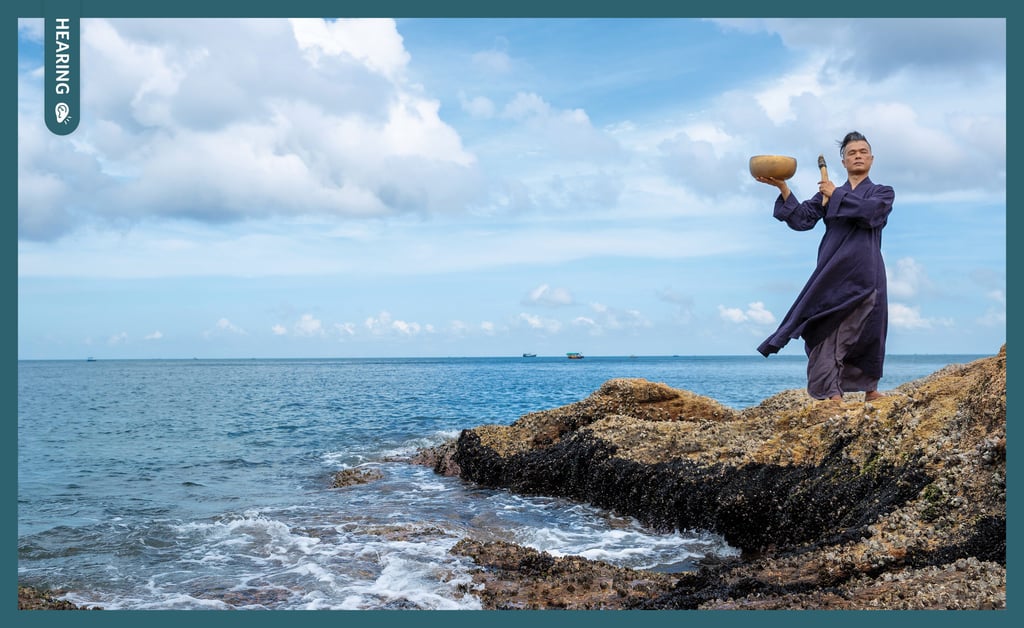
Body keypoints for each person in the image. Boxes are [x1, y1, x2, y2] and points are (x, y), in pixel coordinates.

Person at [754, 131, 894, 401]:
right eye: (851, 153)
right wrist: (784, 188)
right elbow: (801, 220)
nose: (857, 156)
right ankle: (832, 392)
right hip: (831, 273)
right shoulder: (828, 194)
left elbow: (871, 214)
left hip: (866, 272)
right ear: (843, 162)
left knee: (868, 328)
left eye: (863, 152)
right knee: (827, 328)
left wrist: (837, 196)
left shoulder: (882, 193)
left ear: (872, 159)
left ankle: (869, 388)